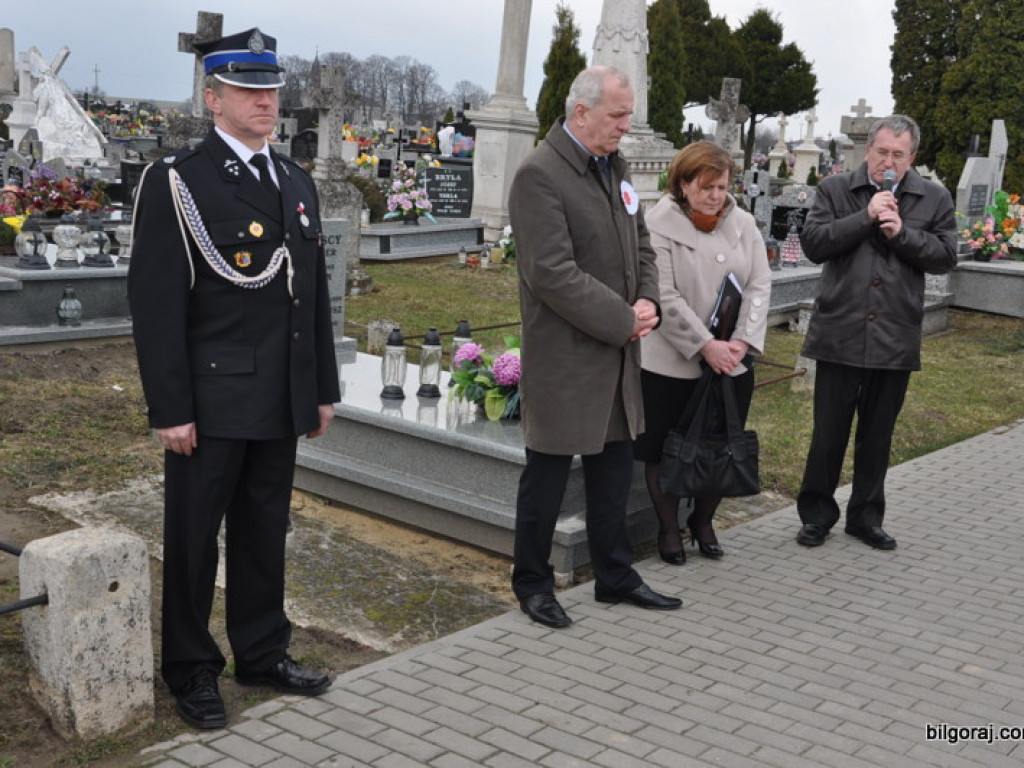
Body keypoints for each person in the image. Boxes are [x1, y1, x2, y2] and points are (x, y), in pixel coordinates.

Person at [128, 28, 340, 729]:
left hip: (280, 393)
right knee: (194, 540)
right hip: (213, 397)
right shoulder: (179, 180)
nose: (265, 102)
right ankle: (191, 669)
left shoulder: (295, 181)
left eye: (271, 90)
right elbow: (156, 304)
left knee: (264, 530)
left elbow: (311, 298)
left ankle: (261, 651)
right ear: (213, 99)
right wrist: (170, 407)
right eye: (248, 91)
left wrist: (321, 388)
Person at [508, 65, 682, 629]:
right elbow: (551, 273)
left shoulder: (615, 166)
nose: (626, 126)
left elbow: (642, 245)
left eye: (628, 115)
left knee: (613, 475)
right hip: (566, 358)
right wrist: (622, 319)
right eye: (618, 115)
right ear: (581, 113)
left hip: (617, 353)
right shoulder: (539, 174)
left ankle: (614, 575)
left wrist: (648, 300)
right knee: (548, 478)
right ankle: (532, 584)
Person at [795, 114, 957, 551]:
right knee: (828, 434)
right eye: (882, 152)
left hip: (894, 336)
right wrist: (864, 217)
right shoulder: (836, 189)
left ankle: (866, 518)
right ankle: (816, 516)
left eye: (898, 155)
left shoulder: (934, 197)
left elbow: (945, 256)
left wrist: (903, 235)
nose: (889, 162)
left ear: (912, 157)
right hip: (840, 332)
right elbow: (814, 243)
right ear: (867, 150)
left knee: (877, 436)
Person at [634, 141, 771, 565]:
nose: (715, 196)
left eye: (722, 187)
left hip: (732, 359)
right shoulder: (658, 224)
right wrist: (704, 345)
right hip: (671, 362)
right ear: (683, 184)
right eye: (706, 187)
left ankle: (704, 521)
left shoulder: (743, 223)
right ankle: (668, 528)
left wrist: (741, 342)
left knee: (722, 443)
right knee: (663, 447)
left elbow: (759, 284)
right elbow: (664, 293)